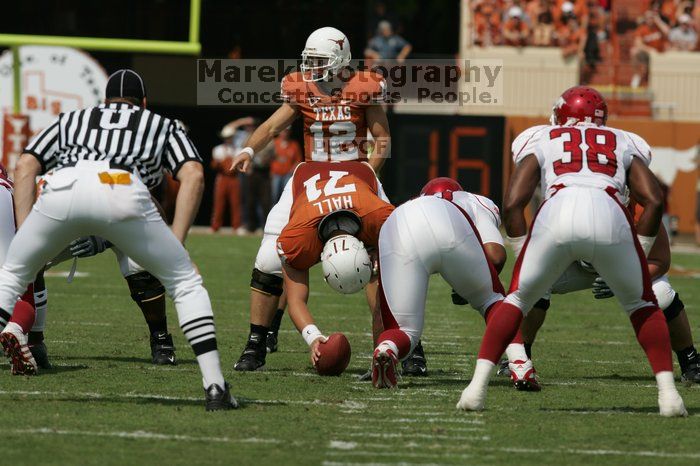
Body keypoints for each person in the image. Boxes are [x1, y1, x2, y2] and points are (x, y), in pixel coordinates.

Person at [0, 69, 236, 411]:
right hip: (122, 189)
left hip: (63, 191)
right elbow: (194, 173)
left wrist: (26, 236)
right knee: (186, 282)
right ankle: (215, 386)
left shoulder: (74, 119)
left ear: (104, 102)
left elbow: (25, 165)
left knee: (12, 275)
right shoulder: (158, 123)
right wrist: (178, 240)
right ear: (143, 102)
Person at [457, 86, 687, 417]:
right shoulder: (624, 140)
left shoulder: (541, 137)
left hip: (558, 210)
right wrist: (640, 252)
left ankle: (476, 390)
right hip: (608, 211)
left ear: (562, 115)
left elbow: (512, 203)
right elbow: (653, 198)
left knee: (518, 299)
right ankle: (668, 396)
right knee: (641, 304)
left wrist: (524, 251)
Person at [229, 27, 390, 372]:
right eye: (310, 60)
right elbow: (272, 127)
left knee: (389, 257)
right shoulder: (300, 87)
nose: (312, 67)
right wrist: (247, 149)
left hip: (356, 175)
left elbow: (382, 139)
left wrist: (368, 174)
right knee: (269, 258)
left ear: (341, 59)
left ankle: (400, 343)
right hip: (309, 178)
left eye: (320, 60)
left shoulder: (364, 85)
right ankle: (256, 343)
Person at [372, 178, 536, 390]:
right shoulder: (476, 201)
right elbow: (496, 256)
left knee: (404, 330)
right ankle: (520, 363)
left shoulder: (409, 204)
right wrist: (471, 286)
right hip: (449, 222)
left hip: (398, 225)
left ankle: (387, 348)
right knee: (493, 301)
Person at [278, 161, 394, 367]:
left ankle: (409, 345)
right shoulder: (298, 238)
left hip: (361, 173)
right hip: (303, 174)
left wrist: (381, 250)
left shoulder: (380, 217)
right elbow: (295, 300)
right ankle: (259, 341)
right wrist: (313, 337)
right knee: (266, 262)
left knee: (394, 272)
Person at [210, 123, 243, 233]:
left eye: (230, 137)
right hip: (222, 178)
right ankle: (215, 226)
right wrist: (220, 163)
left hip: (234, 178)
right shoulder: (217, 149)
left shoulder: (238, 149)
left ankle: (236, 226)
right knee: (219, 202)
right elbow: (214, 165)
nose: (228, 139)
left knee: (235, 203)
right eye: (227, 137)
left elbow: (240, 165)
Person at [631, 10, 669, 88]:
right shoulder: (642, 29)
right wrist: (650, 50)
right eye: (648, 18)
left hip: (660, 54)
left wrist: (658, 20)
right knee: (634, 51)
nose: (650, 20)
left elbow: (668, 32)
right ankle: (637, 75)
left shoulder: (659, 28)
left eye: (652, 18)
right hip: (648, 54)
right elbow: (638, 44)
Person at [270, 128, 302, 204]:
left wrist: (292, 170)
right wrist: (276, 157)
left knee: (286, 196)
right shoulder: (274, 143)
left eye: (286, 131)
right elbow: (266, 156)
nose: (284, 133)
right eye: (283, 131)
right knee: (274, 195)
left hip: (288, 175)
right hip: (276, 174)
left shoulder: (294, 144)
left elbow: (298, 160)